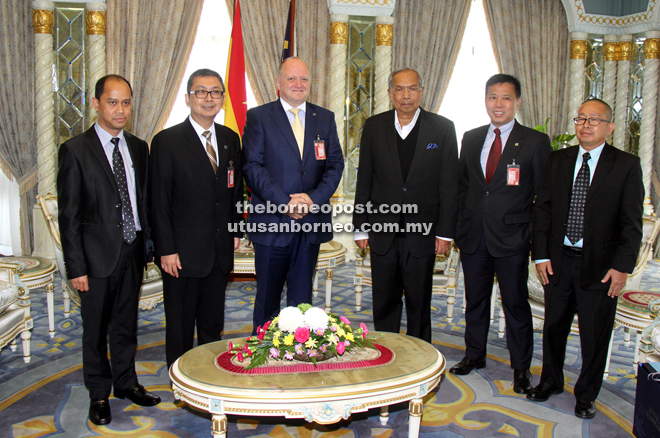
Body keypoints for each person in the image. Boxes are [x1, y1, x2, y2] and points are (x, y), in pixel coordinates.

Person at [528, 98, 643, 419]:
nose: (586, 125)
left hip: (602, 268)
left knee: (595, 334)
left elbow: (631, 225)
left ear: (610, 127)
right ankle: (550, 381)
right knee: (554, 327)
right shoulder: (559, 160)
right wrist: (540, 255)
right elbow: (543, 211)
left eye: (594, 120)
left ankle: (586, 394)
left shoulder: (626, 165)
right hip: (558, 262)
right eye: (581, 119)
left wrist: (622, 267)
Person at [58, 74, 161, 426]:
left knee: (125, 325)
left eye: (126, 102)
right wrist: (76, 267)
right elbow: (69, 215)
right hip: (94, 258)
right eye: (113, 102)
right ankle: (98, 393)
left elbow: (142, 201)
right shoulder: (75, 150)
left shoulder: (138, 147)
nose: (120, 110)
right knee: (95, 330)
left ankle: (126, 383)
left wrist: (149, 245)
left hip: (131, 253)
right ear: (97, 103)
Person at [451, 74, 552, 395]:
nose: (499, 104)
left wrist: (536, 240)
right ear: (485, 100)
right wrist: (458, 226)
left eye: (506, 98)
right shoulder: (471, 136)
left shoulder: (535, 142)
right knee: (475, 301)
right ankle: (474, 355)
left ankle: (521, 368)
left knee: (515, 305)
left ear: (517, 102)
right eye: (493, 97)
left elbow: (543, 196)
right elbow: (463, 186)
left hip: (512, 238)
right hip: (474, 236)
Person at [352, 67, 459, 343]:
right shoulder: (374, 126)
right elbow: (364, 179)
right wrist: (360, 228)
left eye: (412, 88)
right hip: (382, 232)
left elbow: (449, 185)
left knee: (419, 303)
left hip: (422, 233)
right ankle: (387, 352)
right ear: (390, 94)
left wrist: (445, 233)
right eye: (399, 89)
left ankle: (419, 356)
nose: (406, 95)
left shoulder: (443, 128)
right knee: (384, 300)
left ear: (421, 92)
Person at [149, 69, 244, 368]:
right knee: (179, 325)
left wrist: (236, 230)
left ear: (222, 98)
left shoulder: (230, 138)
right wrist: (165, 248)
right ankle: (180, 381)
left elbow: (235, 189)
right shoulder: (167, 141)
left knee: (212, 322)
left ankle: (209, 375)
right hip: (180, 254)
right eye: (201, 92)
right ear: (188, 97)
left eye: (215, 92)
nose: (208, 98)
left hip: (218, 249)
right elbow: (158, 200)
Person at [242, 57, 344, 332]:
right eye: (291, 79)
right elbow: (252, 166)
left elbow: (335, 165)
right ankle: (263, 355)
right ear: (278, 83)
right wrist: (285, 202)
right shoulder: (259, 117)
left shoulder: (324, 117)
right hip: (272, 222)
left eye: (304, 79)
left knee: (302, 301)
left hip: (310, 222)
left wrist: (312, 200)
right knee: (267, 299)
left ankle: (299, 355)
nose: (298, 85)